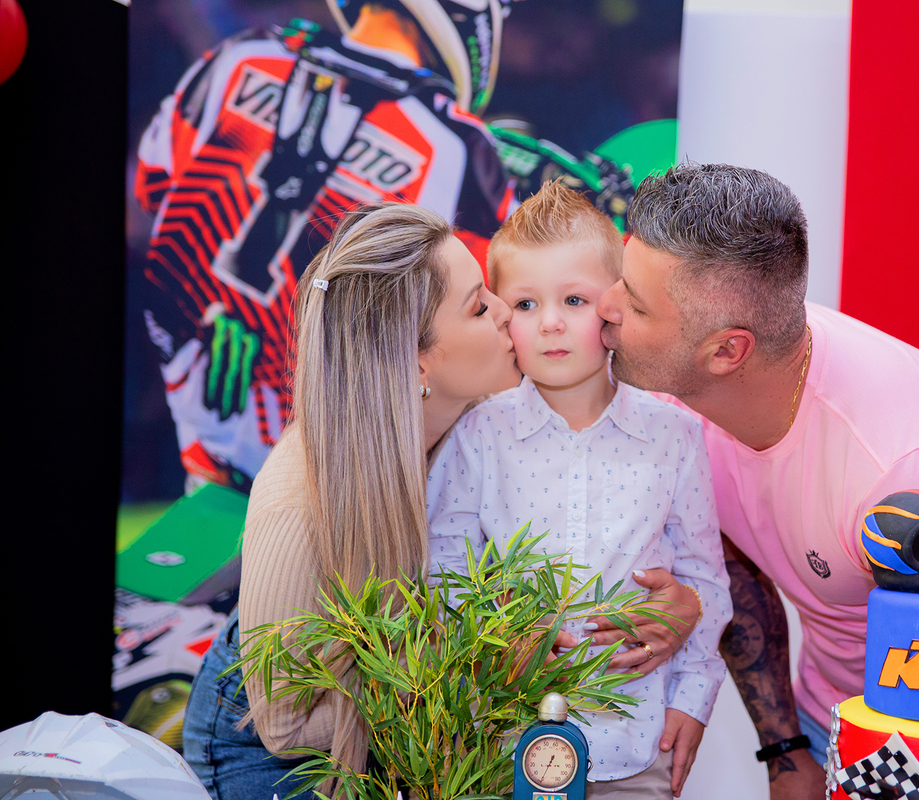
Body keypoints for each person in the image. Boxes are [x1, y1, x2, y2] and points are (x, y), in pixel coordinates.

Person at [595, 164, 919, 800]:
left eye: (633, 304)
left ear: (726, 352)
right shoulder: (679, 391)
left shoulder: (907, 464)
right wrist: (786, 750)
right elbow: (736, 566)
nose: (605, 306)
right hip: (831, 711)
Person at [181, 201, 702, 800]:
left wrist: (681, 610)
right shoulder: (297, 503)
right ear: (419, 361)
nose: (511, 313)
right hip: (281, 737)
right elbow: (285, 725)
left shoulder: (485, 417)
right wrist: (466, 678)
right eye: (482, 306)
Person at [426, 180, 732, 799]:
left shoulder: (674, 433)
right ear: (501, 315)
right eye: (527, 304)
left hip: (636, 747)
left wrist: (694, 701)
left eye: (573, 299)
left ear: (614, 306)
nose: (553, 324)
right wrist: (492, 633)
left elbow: (705, 582)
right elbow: (440, 570)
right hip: (501, 748)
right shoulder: (478, 435)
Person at [133, 0, 511, 494]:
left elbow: (152, 186)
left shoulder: (240, 57)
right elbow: (493, 315)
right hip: (335, 477)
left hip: (203, 431)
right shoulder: (456, 145)